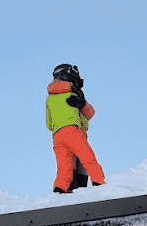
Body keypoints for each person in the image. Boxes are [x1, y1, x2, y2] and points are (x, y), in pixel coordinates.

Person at [45, 63, 106, 194]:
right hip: (73, 131)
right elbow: (90, 114)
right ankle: (99, 182)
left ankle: (60, 190)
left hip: (57, 136)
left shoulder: (50, 98)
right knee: (87, 157)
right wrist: (82, 104)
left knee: (64, 167)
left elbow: (49, 124)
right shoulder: (73, 93)